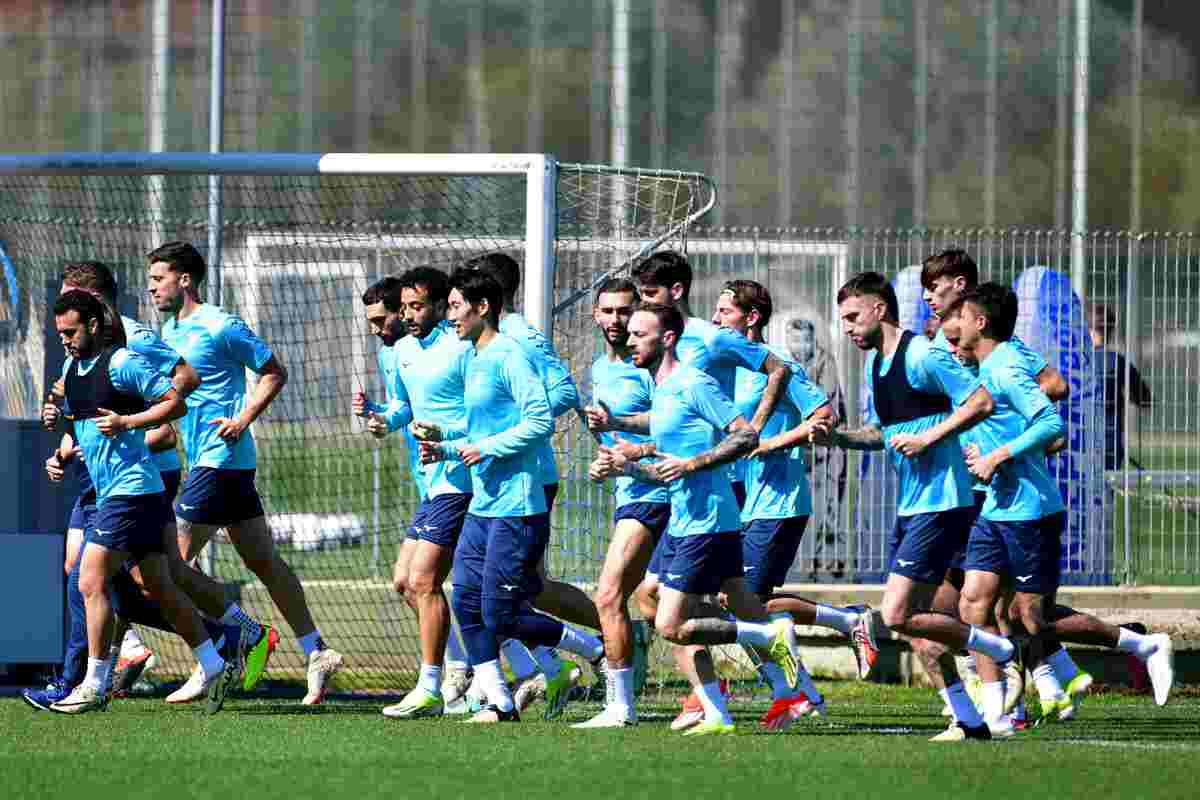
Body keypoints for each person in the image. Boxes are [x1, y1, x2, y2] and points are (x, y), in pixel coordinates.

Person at [26, 261, 261, 711]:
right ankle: (215, 657)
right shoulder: (77, 367)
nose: (65, 342)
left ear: (93, 320)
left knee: (90, 579)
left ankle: (92, 684)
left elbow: (176, 401)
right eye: (60, 335)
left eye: (71, 333)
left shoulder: (124, 359)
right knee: (161, 584)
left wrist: (129, 421)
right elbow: (82, 424)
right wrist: (60, 452)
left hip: (131, 490)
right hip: (126, 490)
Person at [811, 272, 1015, 742]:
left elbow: (980, 402)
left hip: (943, 502)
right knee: (921, 631)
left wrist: (930, 437)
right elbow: (880, 434)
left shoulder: (922, 354)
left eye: (852, 316)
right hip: (914, 504)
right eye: (842, 319)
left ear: (880, 309)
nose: (846, 327)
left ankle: (991, 647)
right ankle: (970, 719)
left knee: (897, 614)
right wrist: (837, 437)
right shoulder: (876, 366)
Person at [590, 301, 801, 737]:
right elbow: (662, 438)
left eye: (639, 334)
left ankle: (769, 637)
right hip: (691, 519)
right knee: (699, 605)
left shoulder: (694, 381)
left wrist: (695, 464)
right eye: (629, 333)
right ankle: (728, 710)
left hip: (707, 522)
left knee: (669, 622)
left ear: (667, 339)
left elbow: (745, 434)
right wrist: (621, 451)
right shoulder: (662, 388)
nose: (630, 340)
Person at [148, 241, 343, 705]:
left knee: (167, 568)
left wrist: (243, 419)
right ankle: (316, 649)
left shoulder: (220, 325)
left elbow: (274, 371)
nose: (152, 287)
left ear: (185, 280)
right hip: (216, 463)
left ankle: (225, 646)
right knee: (263, 562)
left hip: (221, 458)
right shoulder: (168, 330)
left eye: (159, 278)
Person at [416, 268, 603, 723]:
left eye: (457, 306)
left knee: (501, 613)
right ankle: (499, 701)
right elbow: (482, 426)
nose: (449, 314)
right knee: (463, 600)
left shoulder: (509, 356)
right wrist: (442, 441)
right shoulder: (474, 358)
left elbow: (539, 421)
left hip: (517, 505)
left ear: (483, 308)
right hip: (483, 502)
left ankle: (595, 647)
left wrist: (488, 447)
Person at [715, 280, 878, 730]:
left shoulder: (781, 366)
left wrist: (771, 444)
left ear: (751, 318)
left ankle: (798, 687)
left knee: (743, 603)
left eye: (724, 311)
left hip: (778, 501)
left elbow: (824, 417)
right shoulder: (720, 365)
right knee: (741, 605)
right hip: (739, 502)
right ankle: (807, 679)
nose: (715, 319)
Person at [467, 252, 600, 712]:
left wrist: (510, 428)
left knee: (523, 590)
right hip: (486, 472)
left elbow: (563, 392)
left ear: (488, 297)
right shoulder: (475, 343)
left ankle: (614, 641)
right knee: (490, 590)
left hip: (529, 478)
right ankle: (537, 670)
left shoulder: (519, 335)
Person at [940, 284, 1069, 736]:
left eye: (962, 315)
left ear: (980, 323)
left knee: (1029, 616)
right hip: (996, 508)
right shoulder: (983, 367)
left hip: (1030, 510)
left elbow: (1052, 423)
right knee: (972, 603)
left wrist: (998, 456)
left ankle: (1080, 669)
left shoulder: (1007, 369)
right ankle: (994, 711)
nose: (953, 325)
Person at [353, 269, 476, 719]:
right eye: (403, 307)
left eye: (417, 306)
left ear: (443, 305)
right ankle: (473, 674)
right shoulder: (403, 349)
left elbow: (485, 417)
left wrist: (447, 433)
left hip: (461, 478)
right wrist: (383, 420)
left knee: (426, 581)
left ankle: (435, 686)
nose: (407, 315)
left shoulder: (462, 347)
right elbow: (405, 408)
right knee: (404, 582)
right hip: (433, 483)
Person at [574, 278, 668, 729]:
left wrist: (629, 458)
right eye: (608, 311)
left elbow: (674, 432)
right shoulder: (598, 369)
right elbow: (610, 436)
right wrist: (605, 458)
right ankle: (777, 655)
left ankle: (620, 705)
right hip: (630, 493)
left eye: (624, 311)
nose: (616, 320)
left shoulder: (651, 368)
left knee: (609, 595)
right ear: (595, 314)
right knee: (663, 608)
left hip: (657, 493)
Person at [779, 310, 848, 579]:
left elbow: (826, 408)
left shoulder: (824, 362)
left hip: (827, 449)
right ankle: (800, 566)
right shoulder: (782, 362)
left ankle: (828, 565)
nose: (800, 347)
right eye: (795, 341)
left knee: (828, 510)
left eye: (805, 341)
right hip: (797, 447)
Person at [1088, 302, 1151, 471]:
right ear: (1111, 330)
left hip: (1077, 440)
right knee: (1105, 491)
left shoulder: (1074, 362)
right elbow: (1144, 400)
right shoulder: (1117, 362)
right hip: (1110, 441)